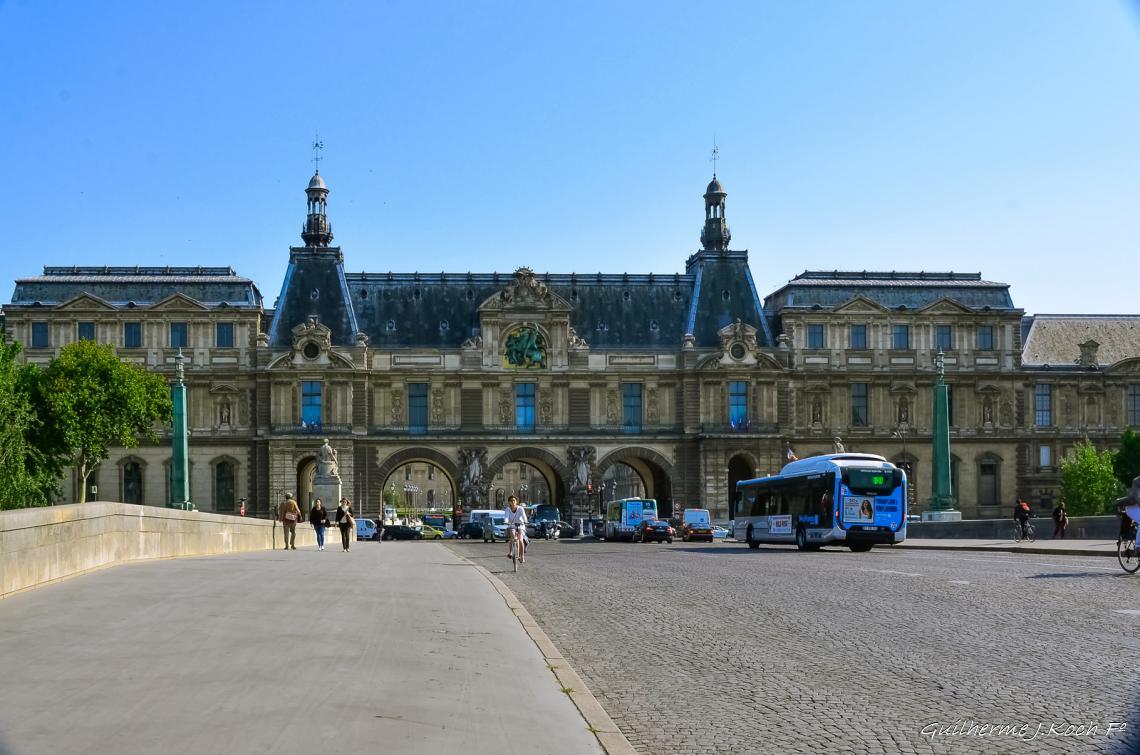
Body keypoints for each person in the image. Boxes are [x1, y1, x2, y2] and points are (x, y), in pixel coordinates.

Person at [503, 495, 528, 562]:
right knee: (512, 536)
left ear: (516, 501)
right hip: (512, 525)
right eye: (511, 501)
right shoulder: (507, 509)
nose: (513, 502)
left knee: (520, 540)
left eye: (514, 500)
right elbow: (506, 517)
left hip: (521, 525)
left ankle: (522, 556)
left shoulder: (520, 508)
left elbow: (524, 516)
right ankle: (510, 552)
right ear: (509, 502)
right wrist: (506, 521)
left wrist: (525, 521)